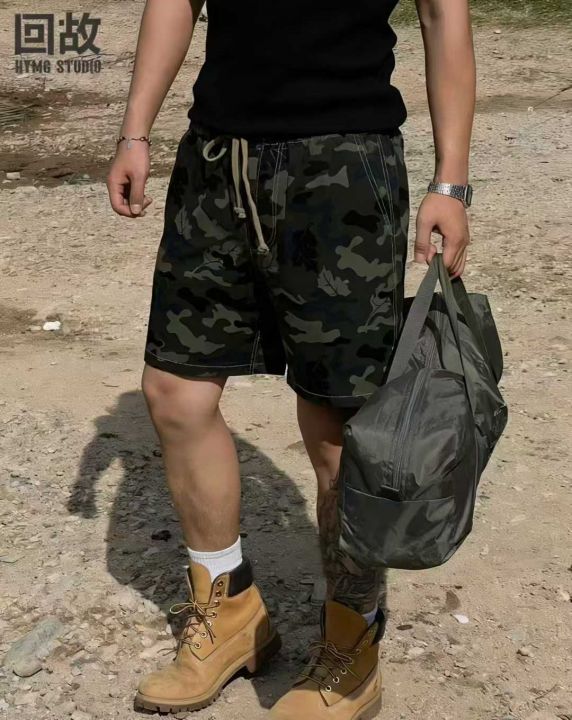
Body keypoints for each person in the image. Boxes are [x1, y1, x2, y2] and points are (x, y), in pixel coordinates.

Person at [106, 0, 475, 716]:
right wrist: (135, 131)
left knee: (337, 424)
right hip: (218, 160)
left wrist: (450, 183)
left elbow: (443, 15)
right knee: (174, 390)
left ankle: (351, 640)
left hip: (344, 165)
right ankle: (230, 613)